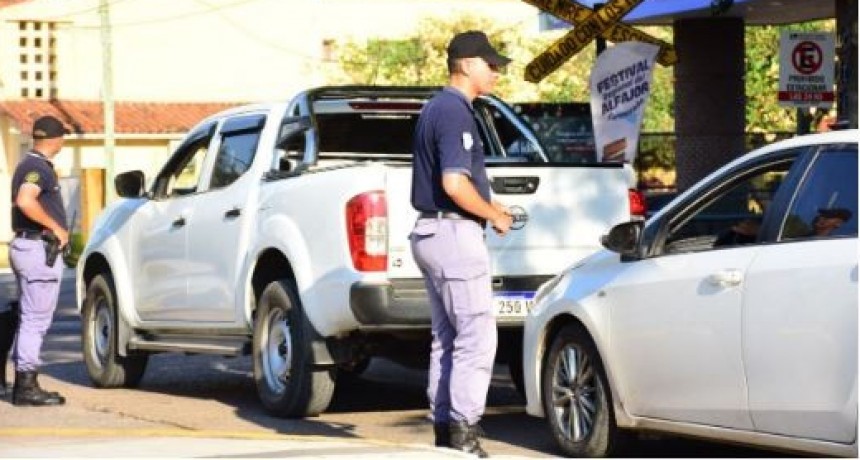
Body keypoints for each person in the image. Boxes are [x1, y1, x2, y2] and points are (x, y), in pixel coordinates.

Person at [409, 30, 514, 457]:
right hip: (453, 234)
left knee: (448, 337)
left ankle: (444, 432)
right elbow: (454, 183)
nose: (495, 73)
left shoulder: (434, 107)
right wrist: (494, 215)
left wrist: (487, 202)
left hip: (430, 232)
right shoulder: (456, 111)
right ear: (466, 64)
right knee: (477, 336)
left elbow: (451, 181)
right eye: (490, 65)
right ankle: (465, 435)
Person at [8, 115, 69, 406]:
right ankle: (26, 386)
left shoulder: (27, 163)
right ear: (57, 140)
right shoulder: (37, 168)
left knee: (24, 316)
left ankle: (19, 380)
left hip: (26, 246)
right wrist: (56, 228)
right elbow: (25, 200)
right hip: (37, 249)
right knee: (35, 319)